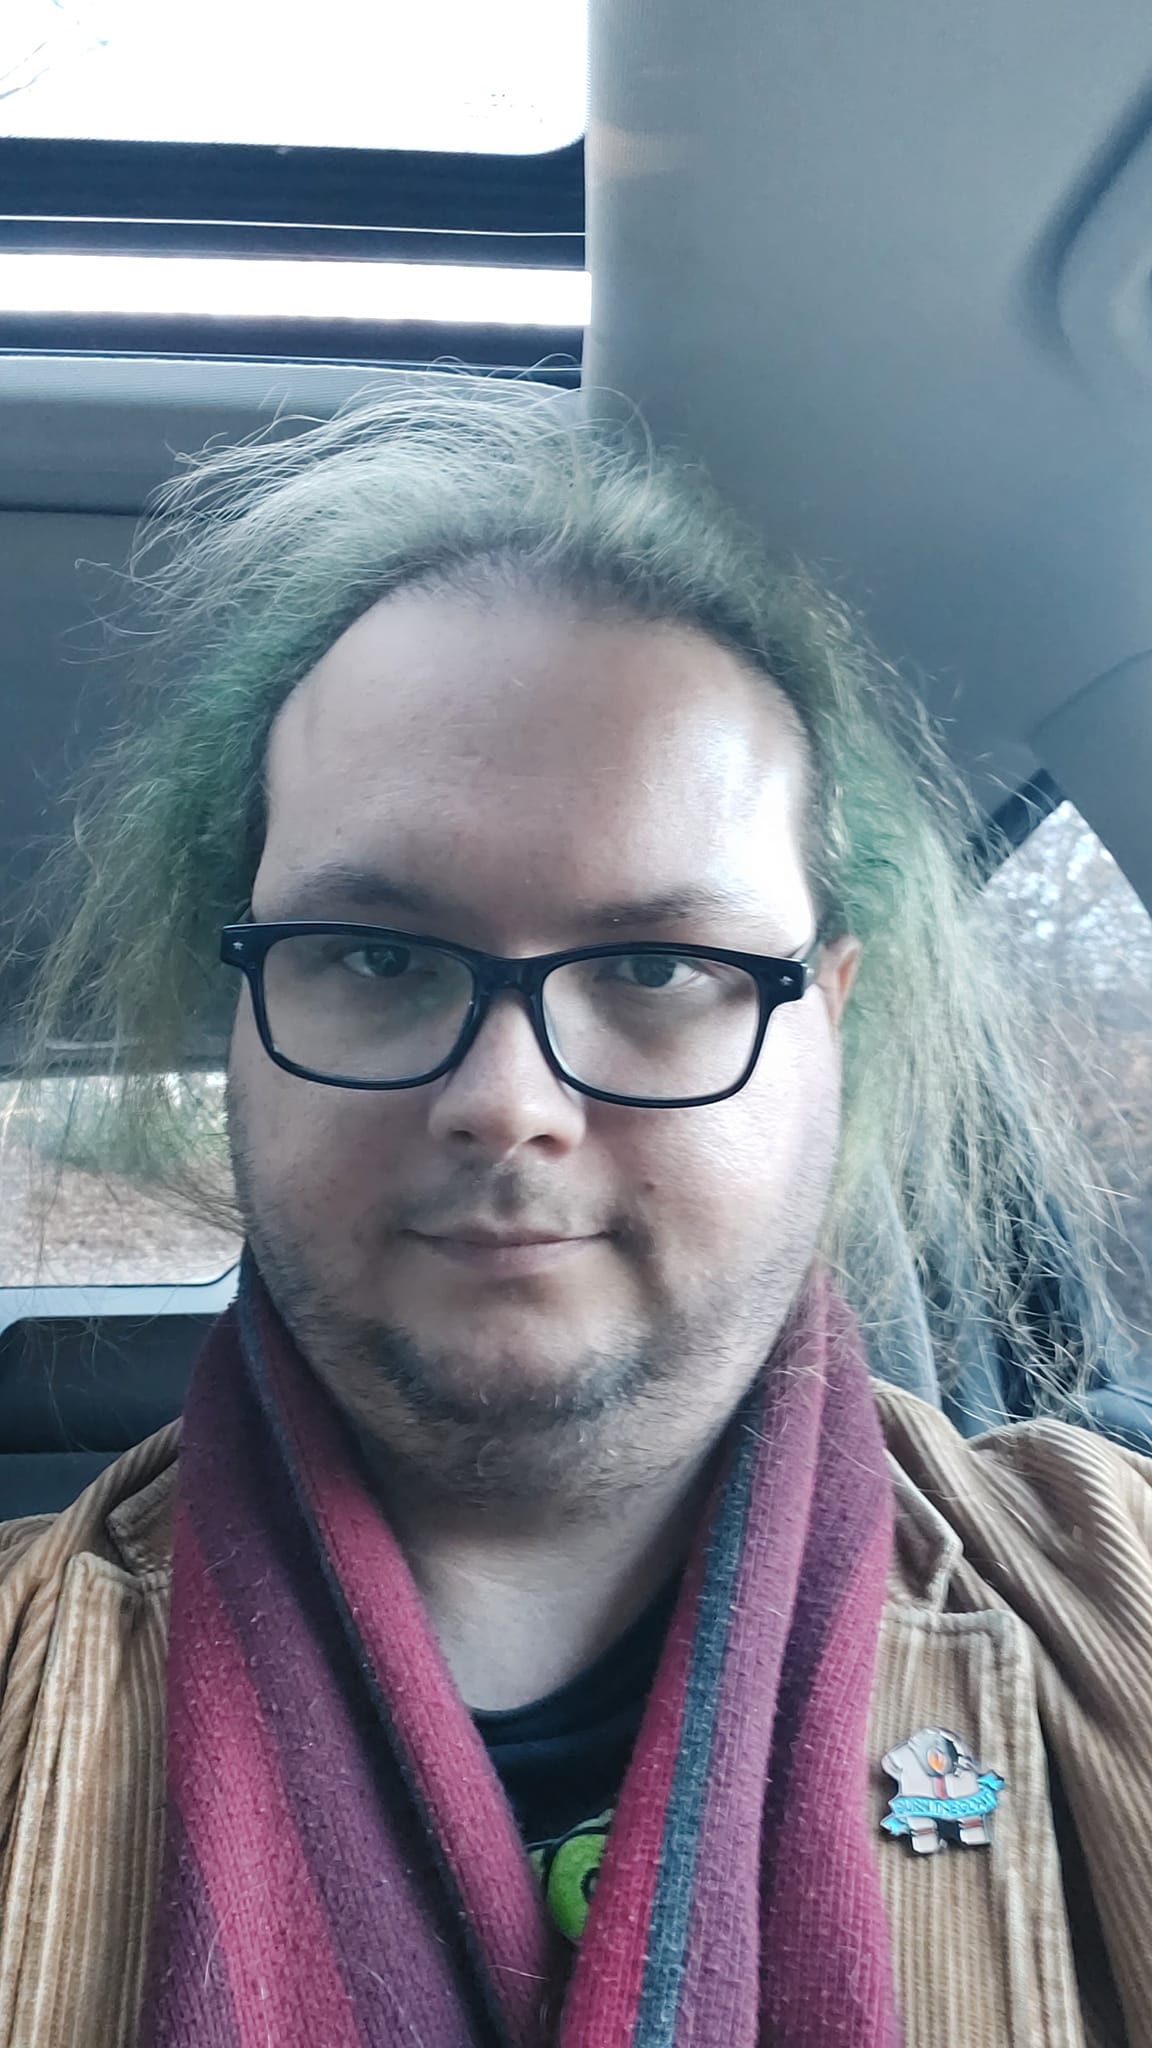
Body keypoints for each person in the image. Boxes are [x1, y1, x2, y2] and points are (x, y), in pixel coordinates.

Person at [0, 389, 1149, 2048]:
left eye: (661, 966)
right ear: (245, 1012)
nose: (508, 1100)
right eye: (380, 957)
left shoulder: (1118, 1619)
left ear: (825, 1018)